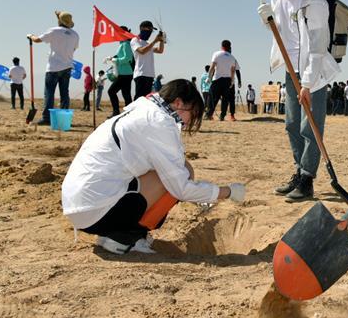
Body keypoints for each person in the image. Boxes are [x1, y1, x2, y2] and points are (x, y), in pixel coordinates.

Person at [62, 79, 245, 255]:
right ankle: (124, 237)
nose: (190, 121)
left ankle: (116, 232)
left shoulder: (143, 109)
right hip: (95, 211)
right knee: (180, 176)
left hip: (81, 207)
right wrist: (227, 192)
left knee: (181, 168)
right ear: (178, 103)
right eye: (193, 113)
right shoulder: (159, 122)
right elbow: (181, 188)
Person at [258, 0, 341, 202]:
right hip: (290, 68)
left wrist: (307, 83)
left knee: (311, 126)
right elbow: (281, 31)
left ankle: (307, 179)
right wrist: (267, 19)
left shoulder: (313, 0)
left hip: (312, 72)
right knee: (291, 124)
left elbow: (317, 47)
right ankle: (298, 171)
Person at [28, 10, 79, 125]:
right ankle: (64, 118)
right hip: (67, 67)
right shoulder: (75, 35)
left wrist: (30, 36)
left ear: (59, 21)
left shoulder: (54, 31)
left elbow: (37, 40)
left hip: (53, 67)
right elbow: (73, 49)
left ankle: (47, 118)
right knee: (64, 93)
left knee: (49, 93)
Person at [131, 21, 165, 99]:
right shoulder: (135, 40)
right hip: (141, 74)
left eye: (151, 30)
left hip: (150, 75)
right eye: (149, 29)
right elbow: (142, 51)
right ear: (142, 28)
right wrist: (155, 41)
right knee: (139, 98)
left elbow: (160, 50)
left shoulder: (147, 43)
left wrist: (161, 40)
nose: (150, 32)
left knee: (146, 99)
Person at [206, 40, 239, 122]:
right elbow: (232, 71)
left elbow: (212, 66)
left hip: (217, 79)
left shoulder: (216, 54)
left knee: (213, 98)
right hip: (227, 80)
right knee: (225, 99)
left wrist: (209, 77)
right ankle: (222, 116)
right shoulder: (232, 57)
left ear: (222, 46)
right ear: (229, 47)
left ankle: (209, 114)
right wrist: (231, 81)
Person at [107, 28, 134, 116]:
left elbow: (128, 58)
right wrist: (114, 59)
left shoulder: (126, 44)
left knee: (111, 91)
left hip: (124, 74)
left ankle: (116, 112)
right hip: (126, 73)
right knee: (126, 94)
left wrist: (115, 60)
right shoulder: (123, 44)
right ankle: (129, 113)